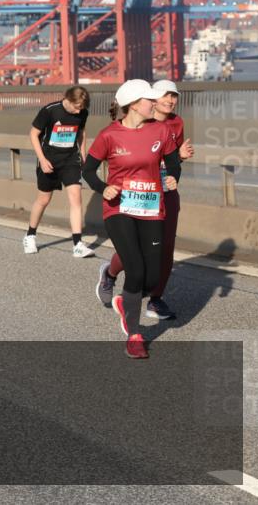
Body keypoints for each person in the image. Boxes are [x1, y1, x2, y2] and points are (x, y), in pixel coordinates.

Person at [83, 79, 181, 359]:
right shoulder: (109, 135)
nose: (156, 103)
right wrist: (104, 187)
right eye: (150, 100)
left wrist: (174, 177)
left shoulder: (160, 130)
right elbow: (89, 170)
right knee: (135, 270)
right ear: (135, 104)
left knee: (151, 279)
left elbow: (172, 162)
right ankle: (135, 334)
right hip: (119, 208)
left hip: (152, 207)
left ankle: (126, 300)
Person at [97, 79, 194, 320]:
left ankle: (155, 299)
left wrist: (178, 162)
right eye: (164, 96)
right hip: (136, 194)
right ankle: (110, 273)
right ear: (150, 100)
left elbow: (171, 160)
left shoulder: (176, 123)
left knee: (166, 247)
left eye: (174, 96)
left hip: (164, 193)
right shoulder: (136, 124)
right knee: (136, 250)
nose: (170, 100)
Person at [23, 86, 94, 258]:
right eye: (76, 107)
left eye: (82, 108)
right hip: (49, 160)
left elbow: (81, 133)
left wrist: (82, 153)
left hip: (70, 160)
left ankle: (78, 244)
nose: (79, 111)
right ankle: (30, 235)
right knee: (43, 200)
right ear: (68, 99)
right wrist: (42, 159)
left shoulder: (82, 113)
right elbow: (33, 134)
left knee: (76, 197)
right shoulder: (50, 111)